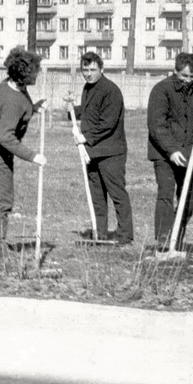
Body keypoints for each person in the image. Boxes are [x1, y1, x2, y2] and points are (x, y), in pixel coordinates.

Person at [0, 47, 47, 253]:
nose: (38, 73)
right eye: (35, 71)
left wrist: (33, 108)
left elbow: (15, 113)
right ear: (23, 74)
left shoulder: (11, 87)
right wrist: (33, 157)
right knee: (2, 197)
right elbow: (6, 136)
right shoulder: (13, 99)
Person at [147, 52, 193, 250]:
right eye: (184, 77)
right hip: (165, 154)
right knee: (166, 195)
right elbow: (156, 125)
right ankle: (164, 241)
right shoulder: (161, 90)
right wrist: (172, 151)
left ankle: (177, 239)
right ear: (175, 72)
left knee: (188, 200)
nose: (188, 82)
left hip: (190, 153)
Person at [69, 51, 133, 244]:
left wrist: (84, 137)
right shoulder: (88, 88)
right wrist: (73, 111)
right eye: (85, 70)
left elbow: (108, 122)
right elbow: (91, 112)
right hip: (92, 152)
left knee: (116, 193)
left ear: (102, 69)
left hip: (111, 151)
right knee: (97, 195)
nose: (88, 74)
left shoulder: (111, 90)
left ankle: (125, 235)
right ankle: (101, 232)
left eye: (92, 70)